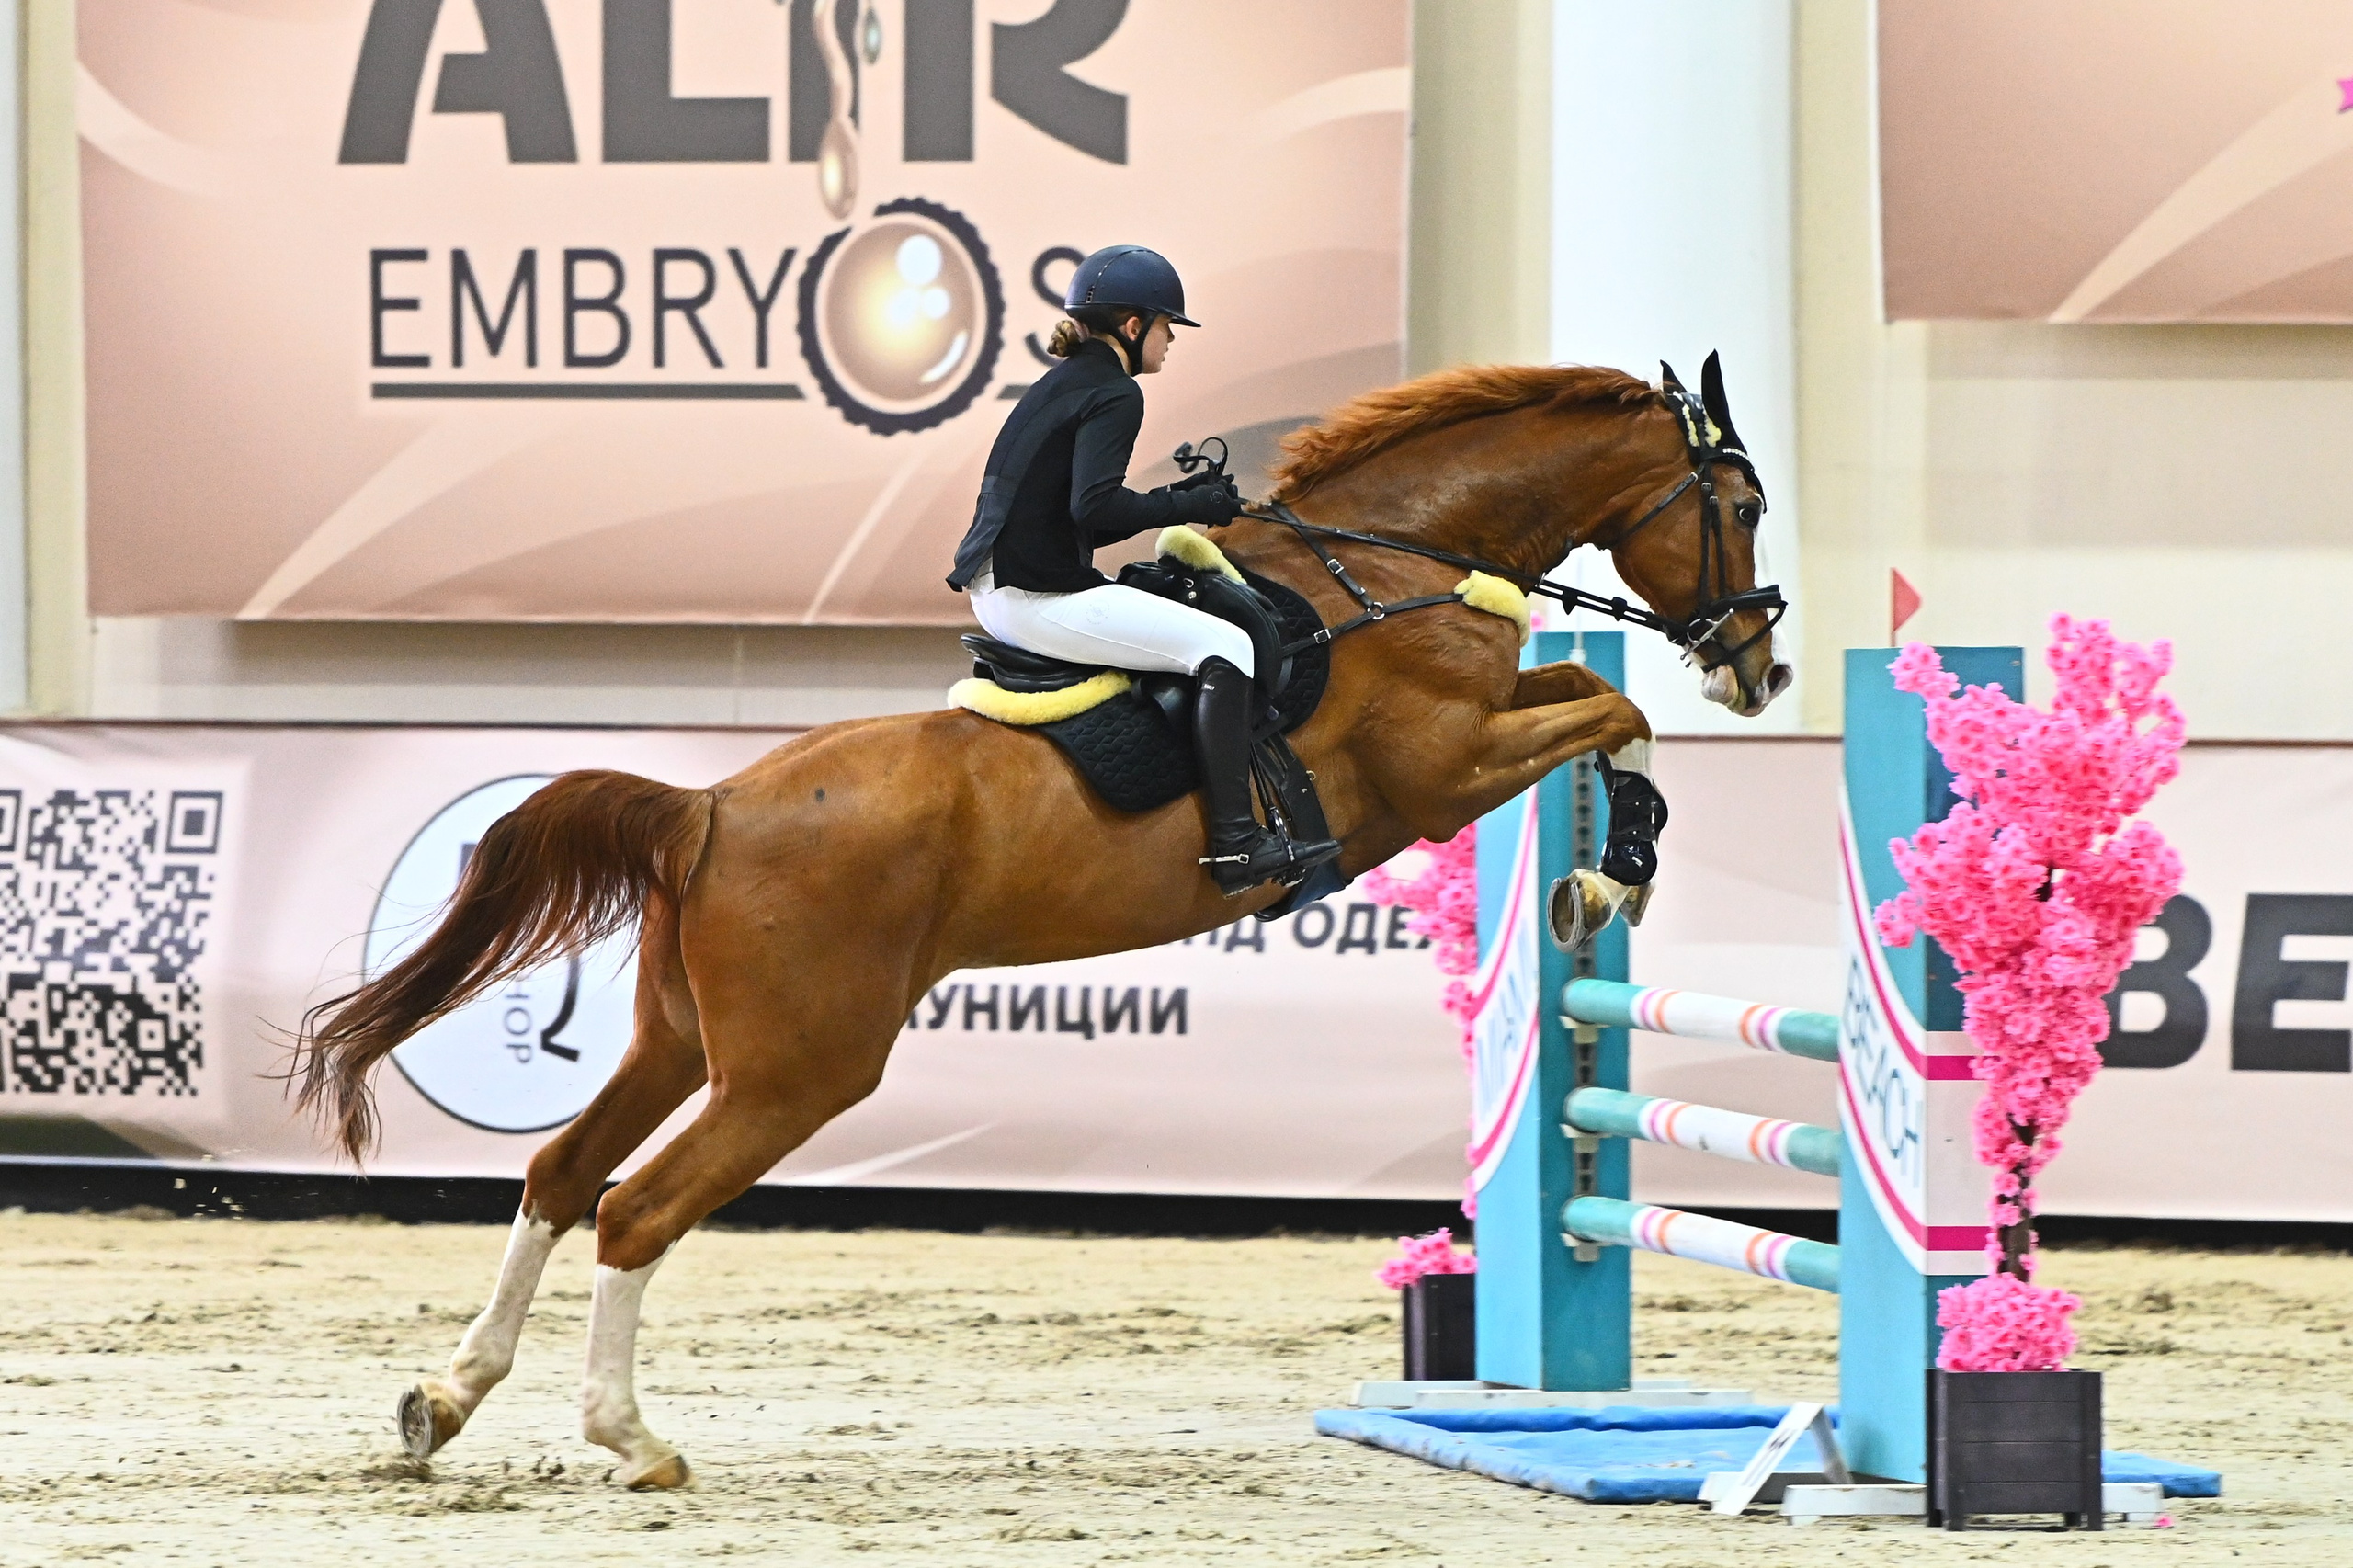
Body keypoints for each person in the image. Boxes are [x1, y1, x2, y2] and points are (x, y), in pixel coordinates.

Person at [946, 244, 1340, 895]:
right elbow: (1094, 510)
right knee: (1226, 645)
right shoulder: (1113, 390)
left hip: (1009, 589)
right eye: (1166, 327)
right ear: (1133, 326)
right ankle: (1237, 844)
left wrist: (1178, 500)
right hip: (1035, 597)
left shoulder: (1066, 380)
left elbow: (1080, 509)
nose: (1169, 341)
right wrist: (1191, 503)